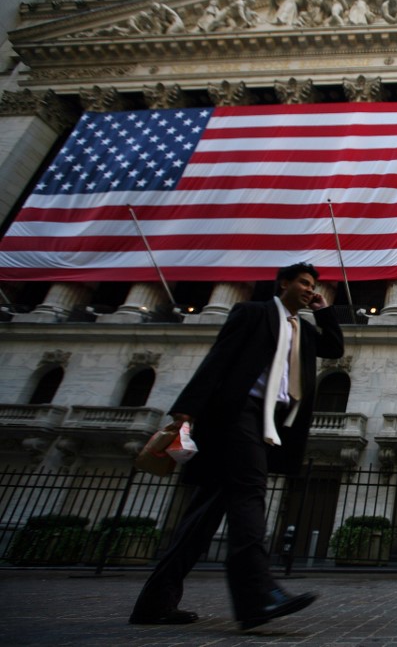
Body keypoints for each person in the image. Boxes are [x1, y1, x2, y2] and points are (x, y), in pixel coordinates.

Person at [130, 263, 344, 631]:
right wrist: (185, 412)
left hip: (269, 423)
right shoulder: (252, 312)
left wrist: (325, 309)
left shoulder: (305, 330)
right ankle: (257, 595)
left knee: (201, 520)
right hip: (235, 414)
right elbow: (219, 360)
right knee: (250, 492)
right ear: (284, 283)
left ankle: (154, 603)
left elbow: (334, 347)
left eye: (314, 286)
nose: (310, 290)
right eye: (305, 283)